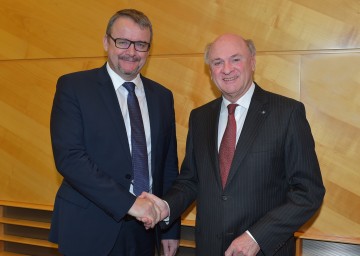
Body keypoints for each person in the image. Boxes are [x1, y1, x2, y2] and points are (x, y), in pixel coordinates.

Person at [142, 33, 325, 255]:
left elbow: (308, 192)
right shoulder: (200, 118)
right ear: (210, 71)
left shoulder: (287, 114)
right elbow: (190, 180)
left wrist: (256, 237)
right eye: (217, 62)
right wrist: (166, 206)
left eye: (236, 59)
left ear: (253, 62)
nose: (226, 69)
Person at [49, 9, 180, 256]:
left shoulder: (163, 97)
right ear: (106, 42)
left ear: (149, 50)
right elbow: (70, 159)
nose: (132, 52)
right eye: (123, 42)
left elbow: (168, 167)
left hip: (145, 231)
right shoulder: (74, 87)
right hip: (89, 228)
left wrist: (169, 228)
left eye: (141, 44)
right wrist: (131, 204)